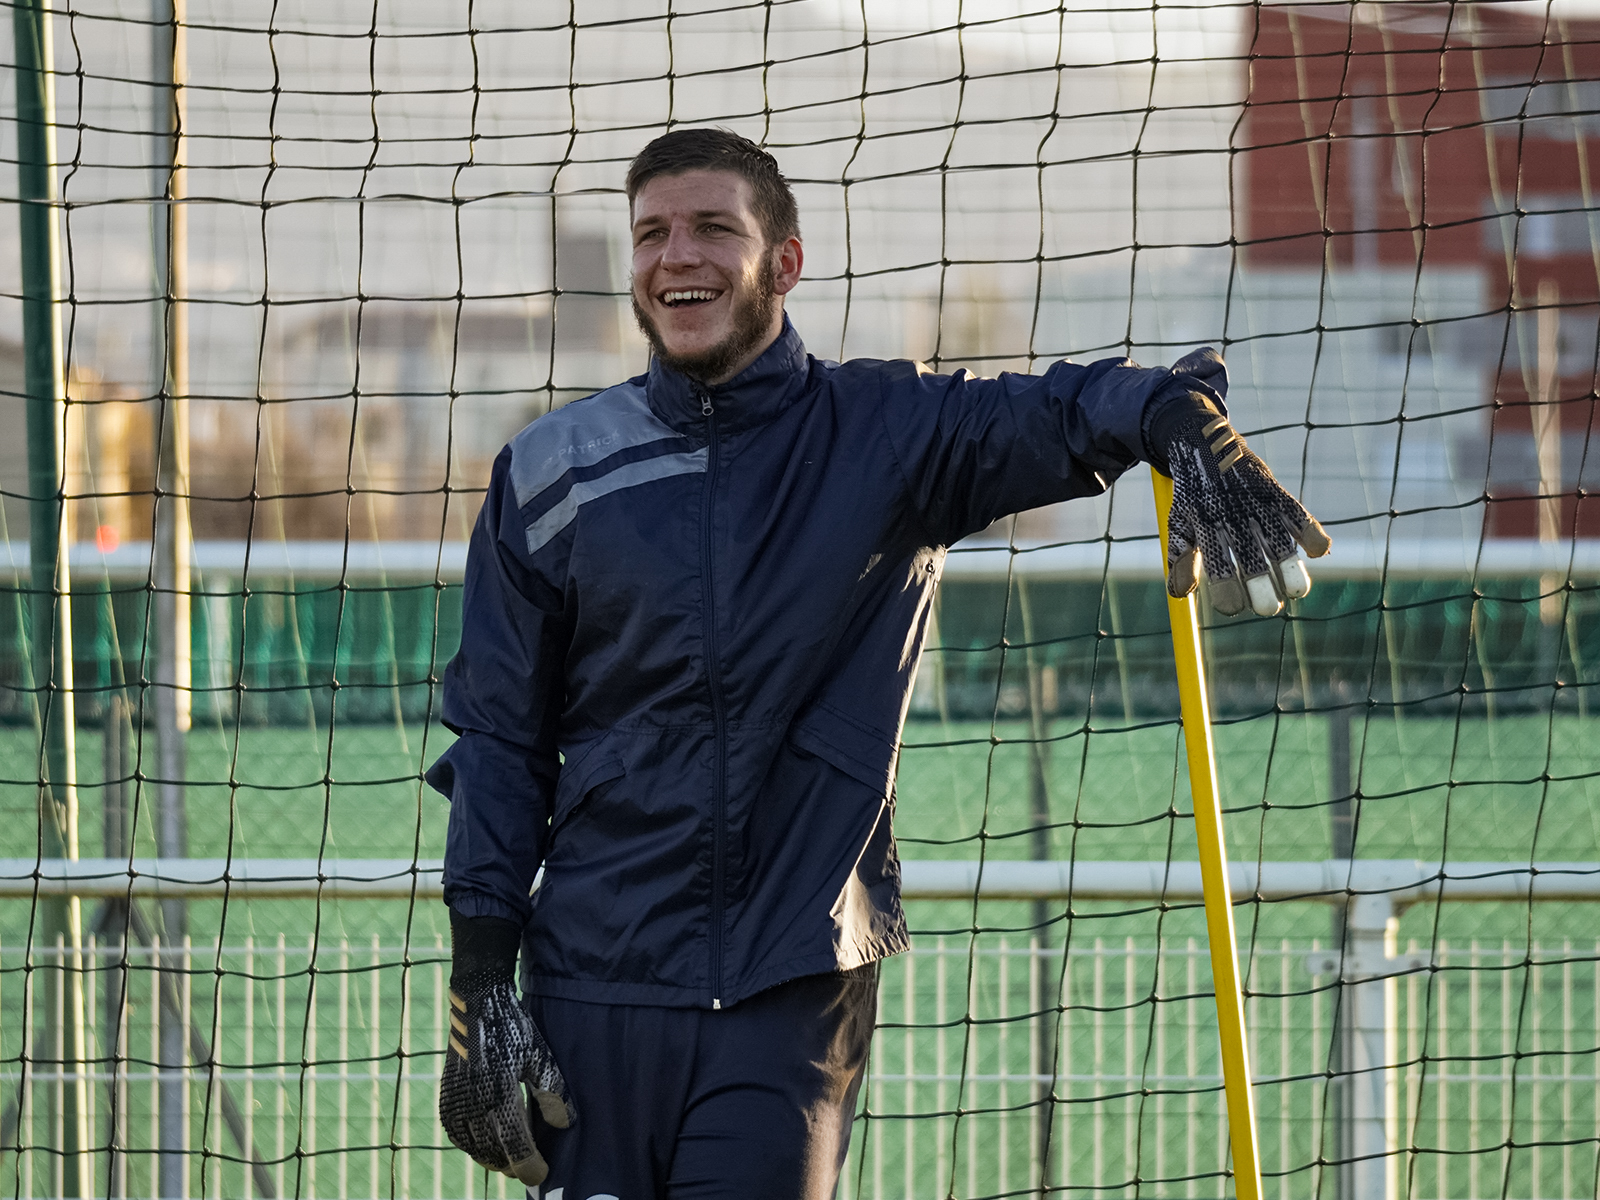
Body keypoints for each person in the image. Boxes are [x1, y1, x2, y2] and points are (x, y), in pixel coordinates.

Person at [425, 127, 1329, 1199]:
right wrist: (482, 978)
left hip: (791, 990)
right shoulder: (547, 471)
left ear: (784, 262)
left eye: (716, 229)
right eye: (653, 234)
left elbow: (1064, 407)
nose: (679, 256)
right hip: (592, 988)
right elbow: (499, 741)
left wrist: (1172, 414)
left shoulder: (890, 434)